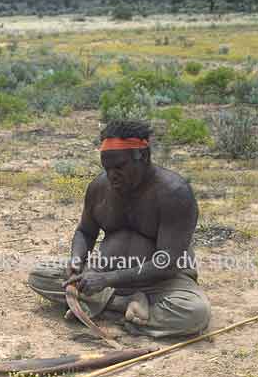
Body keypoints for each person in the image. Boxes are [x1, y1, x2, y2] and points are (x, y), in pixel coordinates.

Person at [28, 120, 211, 338]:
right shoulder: (99, 187)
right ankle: (127, 306)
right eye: (107, 168)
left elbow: (167, 263)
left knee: (195, 313)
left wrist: (108, 280)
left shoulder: (174, 193)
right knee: (40, 274)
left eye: (119, 167)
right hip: (102, 276)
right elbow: (85, 232)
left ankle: (103, 306)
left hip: (160, 283)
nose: (112, 175)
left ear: (143, 157)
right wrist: (77, 262)